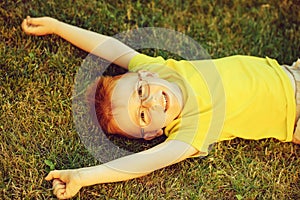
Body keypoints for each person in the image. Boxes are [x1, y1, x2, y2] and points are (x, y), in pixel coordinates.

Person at [21, 16, 300, 199]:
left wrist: (58, 27)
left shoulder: (159, 69)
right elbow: (141, 163)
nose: (153, 102)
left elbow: (112, 48)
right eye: (142, 115)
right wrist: (83, 176)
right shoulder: (190, 131)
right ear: (152, 133)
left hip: (290, 71)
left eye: (141, 91)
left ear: (147, 76)